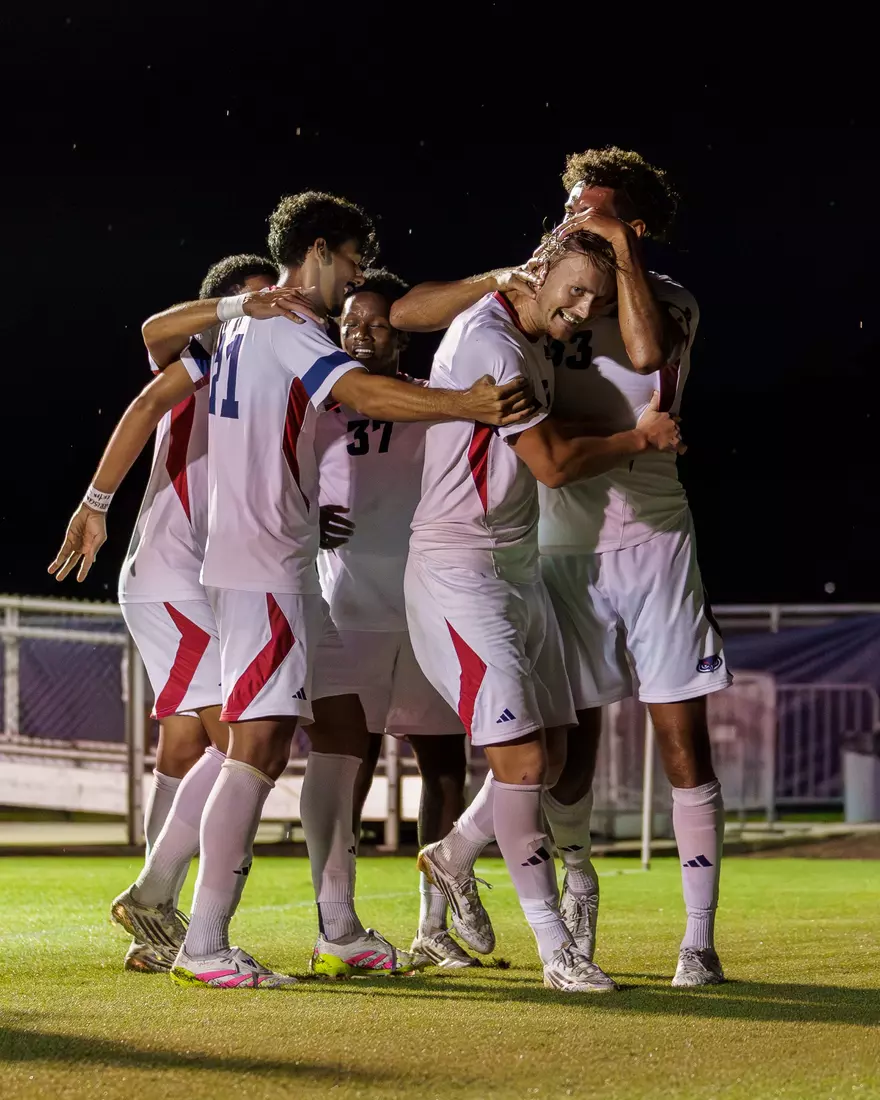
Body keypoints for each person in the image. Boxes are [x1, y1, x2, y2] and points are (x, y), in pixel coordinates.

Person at [99, 190, 536, 990]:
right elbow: (359, 393)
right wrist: (464, 404)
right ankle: (203, 940)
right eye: (355, 261)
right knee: (257, 746)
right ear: (323, 250)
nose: (357, 279)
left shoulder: (244, 326)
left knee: (340, 726)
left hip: (286, 564)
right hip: (260, 566)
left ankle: (337, 927)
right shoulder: (285, 324)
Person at [393, 147, 729, 989]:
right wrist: (517, 274)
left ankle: (696, 939)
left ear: (634, 227)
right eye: (571, 206)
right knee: (559, 749)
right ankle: (571, 895)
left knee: (677, 735)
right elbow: (410, 313)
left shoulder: (663, 302)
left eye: (597, 208)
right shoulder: (537, 297)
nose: (575, 216)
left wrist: (617, 254)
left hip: (650, 532)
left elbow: (648, 357)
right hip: (548, 539)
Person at [48, 253, 284, 973]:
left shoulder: (272, 373)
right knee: (250, 741)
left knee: (187, 750)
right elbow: (153, 340)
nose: (271, 311)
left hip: (209, 583)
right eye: (256, 301)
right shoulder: (205, 352)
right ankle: (166, 907)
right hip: (170, 579)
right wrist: (94, 505)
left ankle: (157, 925)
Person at [311, 269, 477, 971]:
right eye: (351, 322)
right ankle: (337, 921)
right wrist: (305, 515)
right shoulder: (317, 402)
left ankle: (433, 927)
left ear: (400, 331)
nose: (362, 333)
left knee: (444, 764)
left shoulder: (433, 401)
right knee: (350, 763)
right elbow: (268, 477)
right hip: (349, 606)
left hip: (425, 601)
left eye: (377, 323)